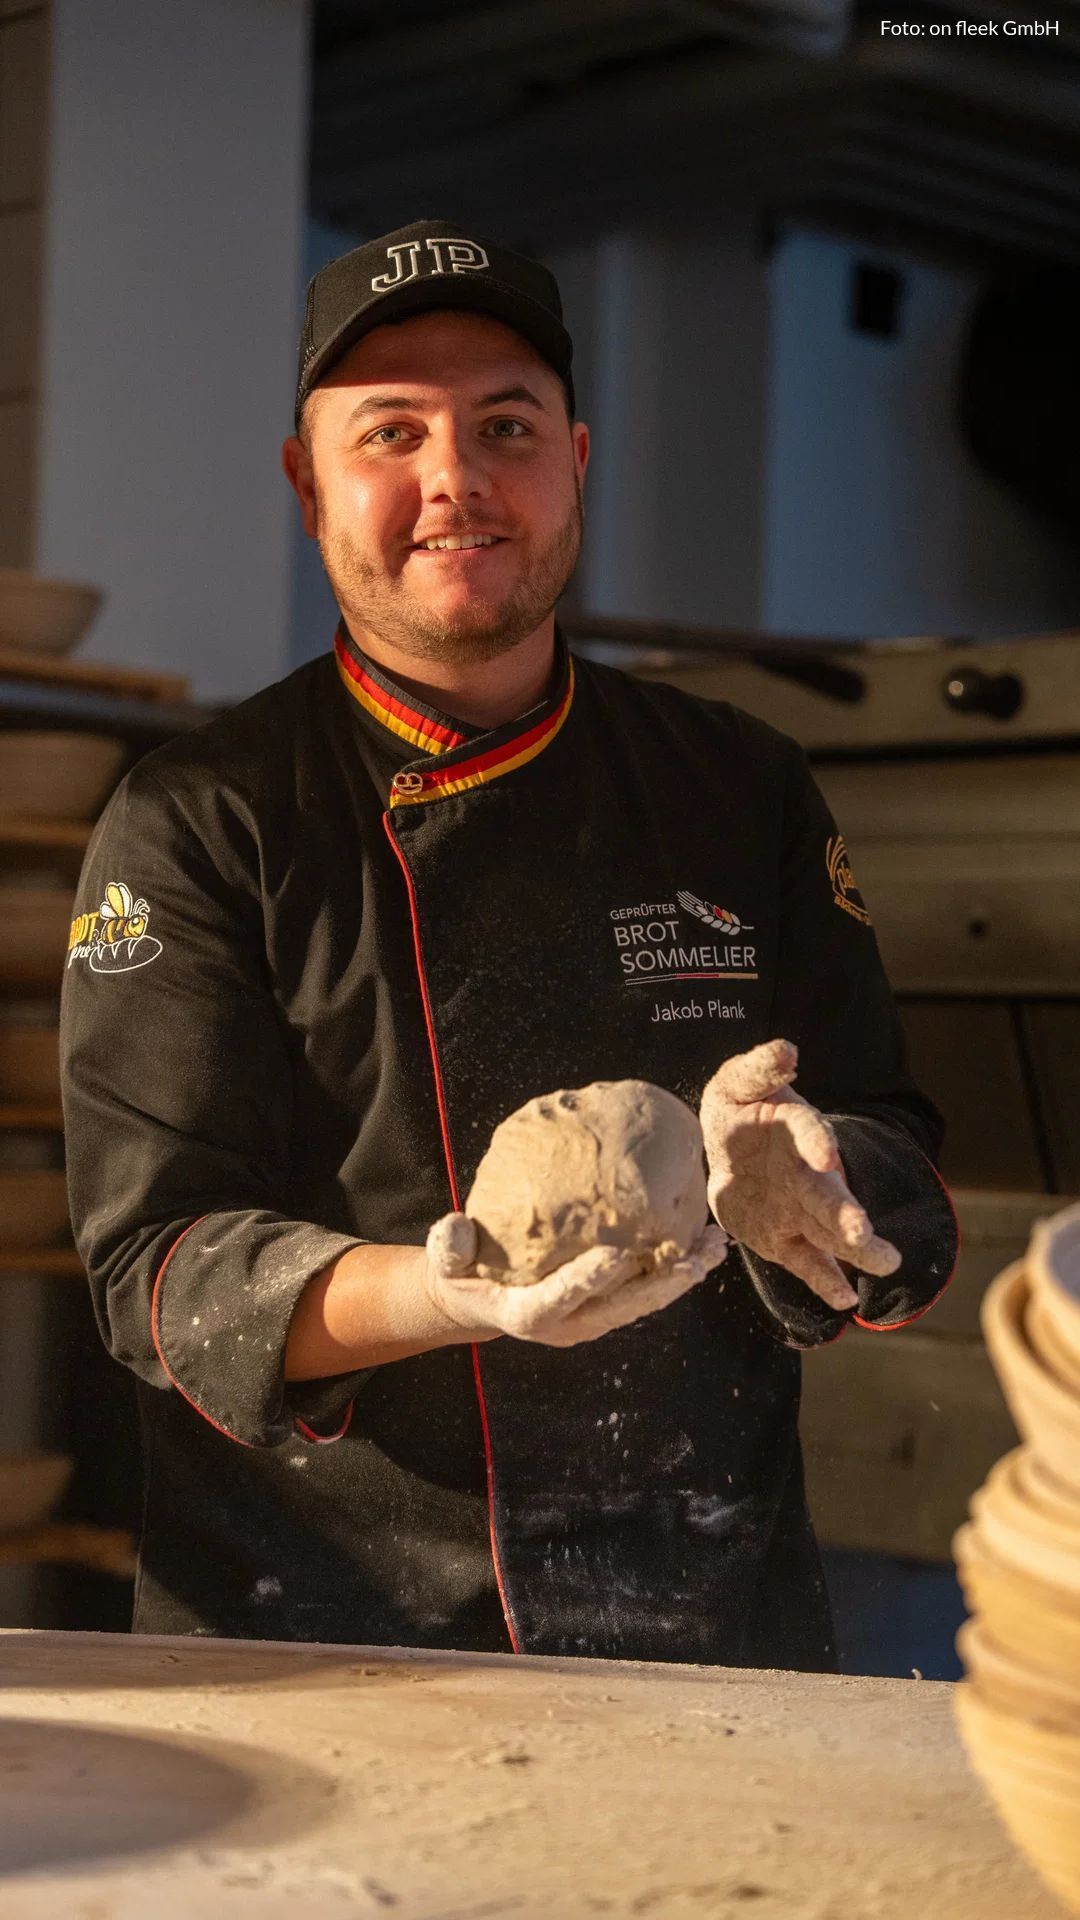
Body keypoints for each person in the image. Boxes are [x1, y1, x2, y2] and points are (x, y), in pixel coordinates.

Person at [60, 219, 958, 1666]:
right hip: (328, 1641)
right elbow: (157, 1271)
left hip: (708, 1625)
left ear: (577, 462)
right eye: (391, 432)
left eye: (507, 426)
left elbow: (895, 1146)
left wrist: (819, 1180)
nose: (456, 479)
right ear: (307, 483)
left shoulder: (741, 784)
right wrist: (440, 1296)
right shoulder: (199, 818)